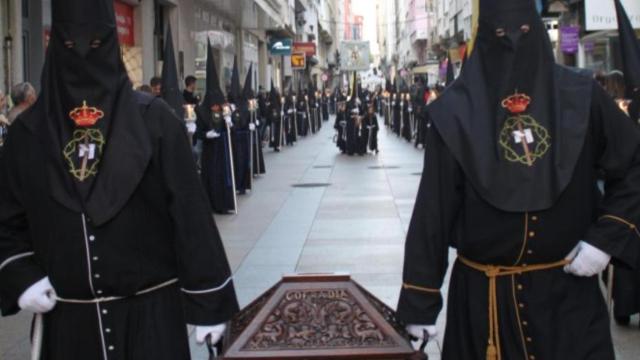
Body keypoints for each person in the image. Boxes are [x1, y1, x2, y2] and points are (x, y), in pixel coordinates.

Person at [397, 1, 640, 359]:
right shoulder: (455, 112)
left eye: (524, 34)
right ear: (483, 41)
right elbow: (433, 212)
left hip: (569, 300)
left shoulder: (583, 97)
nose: (512, 44)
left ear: (538, 34)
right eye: (499, 36)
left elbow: (634, 163)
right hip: (486, 308)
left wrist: (604, 240)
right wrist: (420, 302)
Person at [0, 1, 239, 358]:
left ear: (111, 46)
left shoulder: (154, 122)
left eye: (95, 46)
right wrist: (20, 275)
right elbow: (6, 218)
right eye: (69, 47)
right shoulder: (28, 134)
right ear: (54, 50)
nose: (82, 58)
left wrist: (209, 300)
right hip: (68, 324)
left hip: (152, 320)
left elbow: (190, 216)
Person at [196, 41, 237, 214]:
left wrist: (229, 121)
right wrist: (206, 135)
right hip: (210, 152)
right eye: (213, 105)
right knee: (210, 177)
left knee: (224, 176)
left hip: (223, 151)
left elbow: (229, 129)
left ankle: (225, 203)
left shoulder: (223, 111)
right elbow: (198, 132)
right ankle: (211, 203)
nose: (215, 108)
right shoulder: (201, 112)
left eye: (217, 105)